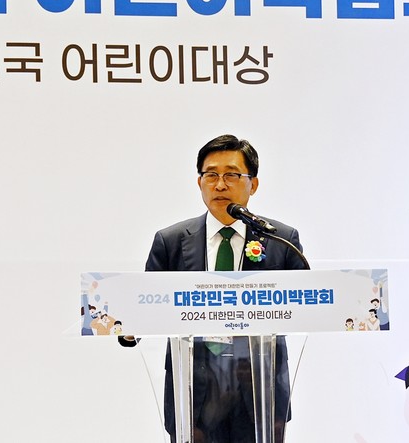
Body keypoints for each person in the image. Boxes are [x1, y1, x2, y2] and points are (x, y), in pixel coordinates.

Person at [124, 134, 305, 443]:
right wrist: (128, 324)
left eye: (231, 175)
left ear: (253, 184)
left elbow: (305, 308)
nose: (220, 185)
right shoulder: (170, 241)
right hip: (193, 396)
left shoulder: (280, 239)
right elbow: (146, 307)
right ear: (199, 183)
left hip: (259, 393)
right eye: (211, 175)